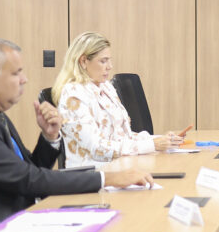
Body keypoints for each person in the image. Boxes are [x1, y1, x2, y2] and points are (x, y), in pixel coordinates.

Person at [0, 38, 153, 232]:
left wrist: (49, 138)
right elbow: (27, 180)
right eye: (16, 73)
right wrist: (108, 178)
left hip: (16, 217)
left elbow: (27, 170)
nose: (24, 79)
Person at [53, 32, 186, 168]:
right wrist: (152, 144)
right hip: (93, 173)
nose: (109, 66)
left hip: (119, 166)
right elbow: (96, 148)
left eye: (109, 60)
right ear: (83, 61)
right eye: (103, 61)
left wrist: (160, 140)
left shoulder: (106, 87)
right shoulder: (74, 94)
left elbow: (123, 137)